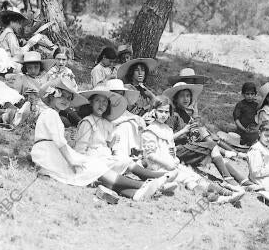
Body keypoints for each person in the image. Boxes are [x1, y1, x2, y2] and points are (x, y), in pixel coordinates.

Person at [31, 78, 168, 201]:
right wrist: (72, 160)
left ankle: (134, 193)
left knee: (95, 170)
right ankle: (144, 184)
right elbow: (60, 142)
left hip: (53, 153)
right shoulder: (49, 113)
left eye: (68, 98)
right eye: (61, 96)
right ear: (51, 97)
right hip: (49, 154)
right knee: (92, 167)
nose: (65, 100)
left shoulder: (55, 115)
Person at [140, 96, 245, 204]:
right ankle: (218, 197)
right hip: (158, 167)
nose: (163, 115)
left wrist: (174, 159)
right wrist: (168, 164)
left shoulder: (167, 129)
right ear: (154, 111)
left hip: (172, 163)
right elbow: (150, 155)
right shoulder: (150, 130)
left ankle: (225, 194)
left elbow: (171, 149)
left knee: (194, 177)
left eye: (166, 112)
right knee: (186, 178)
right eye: (160, 111)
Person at [74, 85, 176, 183]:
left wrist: (111, 144)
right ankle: (150, 179)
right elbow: (80, 148)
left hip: (105, 156)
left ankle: (151, 177)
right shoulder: (88, 122)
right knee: (118, 165)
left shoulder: (105, 122)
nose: (101, 105)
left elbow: (105, 142)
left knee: (125, 161)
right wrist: (81, 167)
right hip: (92, 158)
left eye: (104, 102)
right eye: (98, 101)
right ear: (91, 103)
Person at [163, 82, 250, 190]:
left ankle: (241, 180)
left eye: (188, 95)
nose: (186, 99)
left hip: (188, 150)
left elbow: (192, 136)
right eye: (182, 96)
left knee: (215, 155)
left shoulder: (186, 114)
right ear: (175, 99)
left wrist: (194, 132)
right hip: (177, 151)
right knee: (212, 146)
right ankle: (228, 180)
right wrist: (184, 131)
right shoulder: (173, 115)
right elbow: (166, 138)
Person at [106, 79, 146, 158]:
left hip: (125, 137)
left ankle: (136, 153)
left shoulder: (122, 108)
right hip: (109, 135)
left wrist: (139, 120)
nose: (118, 97)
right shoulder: (106, 108)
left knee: (135, 124)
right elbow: (109, 121)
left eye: (120, 94)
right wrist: (129, 119)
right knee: (124, 126)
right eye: (115, 94)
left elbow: (130, 116)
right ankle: (118, 154)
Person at [232, 82, 260, 146]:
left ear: (255, 94)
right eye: (247, 94)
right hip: (242, 131)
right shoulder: (240, 105)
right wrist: (244, 129)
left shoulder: (256, 105)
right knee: (241, 142)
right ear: (243, 94)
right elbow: (236, 119)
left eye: (252, 94)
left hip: (253, 131)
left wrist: (256, 129)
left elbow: (260, 118)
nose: (250, 96)